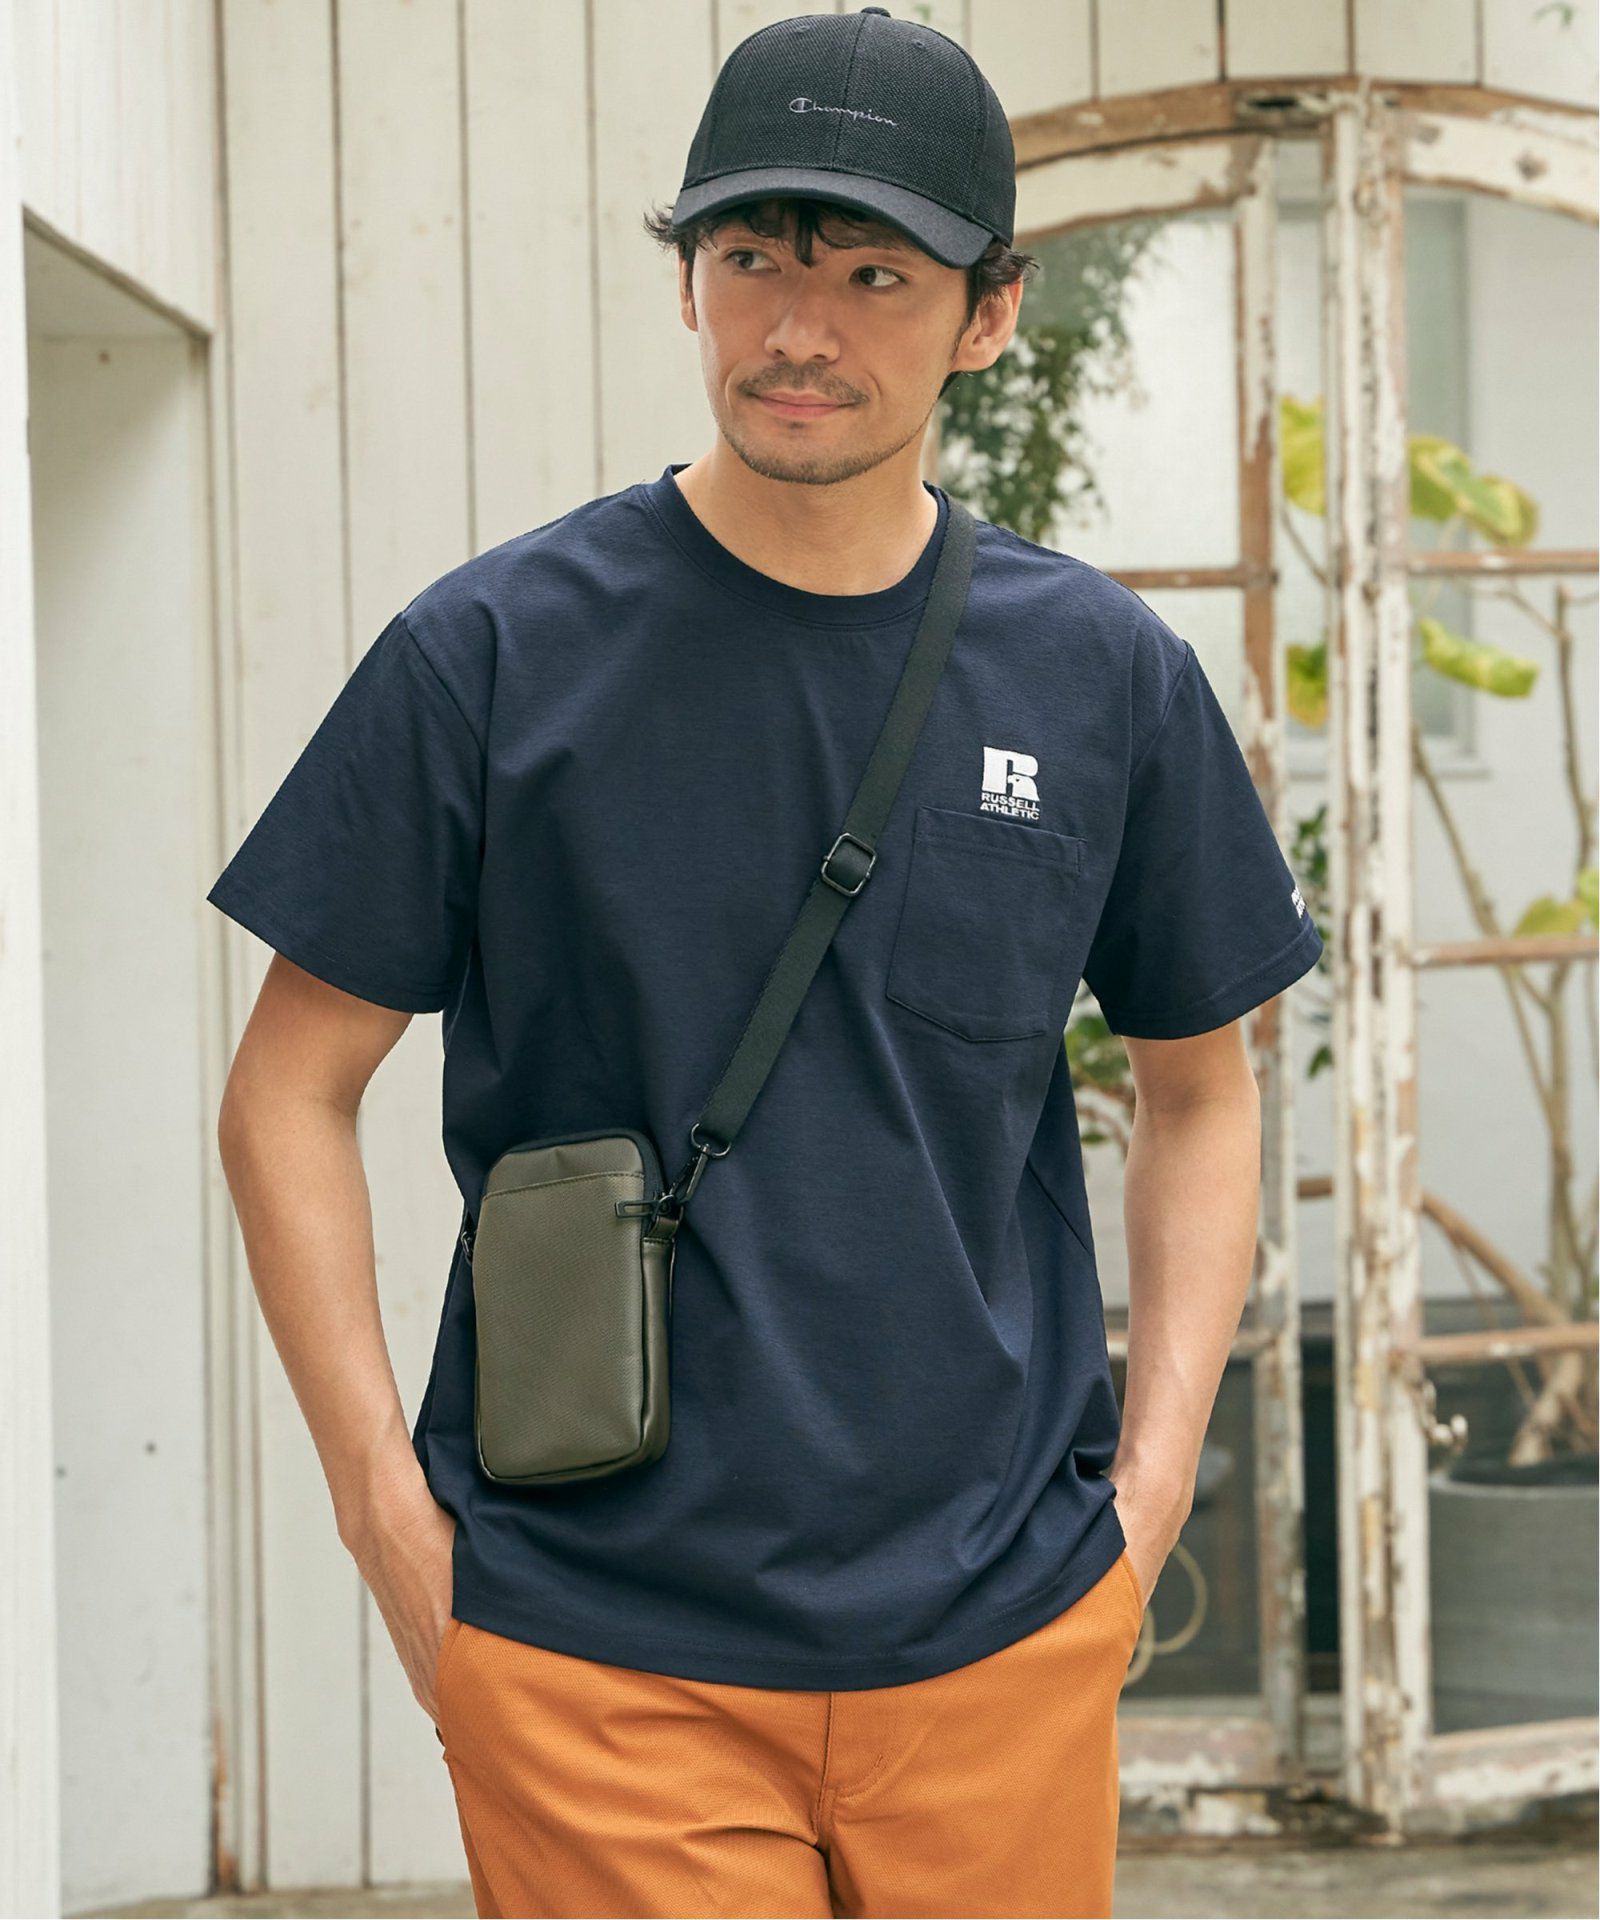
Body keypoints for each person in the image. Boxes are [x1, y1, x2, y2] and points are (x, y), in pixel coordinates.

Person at [208, 7, 1323, 1916]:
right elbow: (285, 1095)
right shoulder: (494, 656)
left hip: (1001, 1632)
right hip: (599, 1646)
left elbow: (1202, 1094)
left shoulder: (1099, 677)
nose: (799, 329)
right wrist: (386, 1517)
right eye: (752, 261)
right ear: (689, 282)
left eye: (876, 277)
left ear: (989, 315)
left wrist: (1140, 1516)